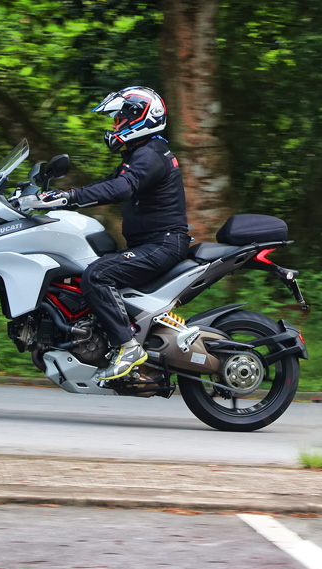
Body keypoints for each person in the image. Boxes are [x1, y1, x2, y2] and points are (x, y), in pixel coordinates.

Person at [37, 86, 190, 381]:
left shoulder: (150, 155)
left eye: (120, 118)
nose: (114, 125)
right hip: (155, 242)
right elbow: (109, 184)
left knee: (97, 275)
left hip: (163, 243)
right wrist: (58, 196)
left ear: (140, 117)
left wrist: (67, 197)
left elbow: (120, 188)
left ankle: (128, 347)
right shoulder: (142, 153)